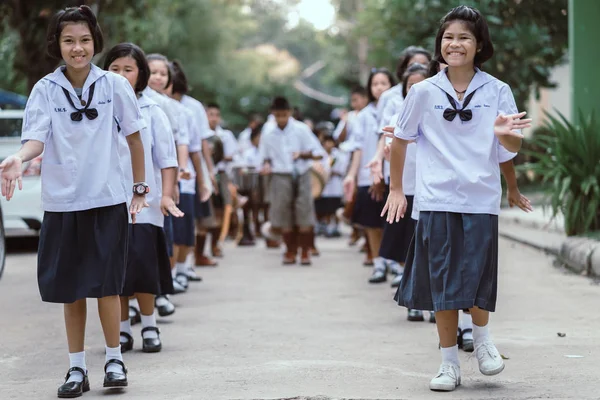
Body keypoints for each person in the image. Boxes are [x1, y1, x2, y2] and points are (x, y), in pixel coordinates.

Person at [382, 5, 532, 391]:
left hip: (480, 200)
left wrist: (504, 138)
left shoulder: (498, 90)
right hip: (436, 200)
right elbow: (400, 140)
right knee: (444, 286)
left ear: (479, 44)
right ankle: (449, 363)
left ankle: (482, 341)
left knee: (479, 278)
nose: (455, 44)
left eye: (464, 37)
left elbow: (510, 148)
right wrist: (397, 188)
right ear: (440, 46)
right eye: (448, 37)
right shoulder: (423, 91)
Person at [0, 6, 146, 397]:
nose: (77, 49)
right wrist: (19, 158)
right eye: (69, 41)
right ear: (58, 45)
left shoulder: (115, 86)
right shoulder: (46, 89)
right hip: (63, 202)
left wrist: (140, 188)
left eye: (84, 40)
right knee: (71, 288)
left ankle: (114, 360)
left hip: (106, 199)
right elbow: (36, 138)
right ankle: (76, 368)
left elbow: (134, 138)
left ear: (95, 42)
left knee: (107, 286)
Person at [103, 43, 182, 354]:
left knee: (144, 269)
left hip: (146, 205)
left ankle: (149, 326)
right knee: (116, 272)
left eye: (129, 69)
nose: (121, 75)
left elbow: (167, 158)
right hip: (107, 202)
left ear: (141, 75)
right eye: (115, 69)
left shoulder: (153, 110)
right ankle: (122, 331)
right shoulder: (98, 106)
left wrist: (165, 195)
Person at [343, 68, 395, 281]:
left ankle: (395, 262)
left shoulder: (398, 108)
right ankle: (378, 262)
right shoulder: (363, 116)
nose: (379, 87)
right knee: (372, 223)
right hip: (368, 175)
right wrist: (352, 176)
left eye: (384, 83)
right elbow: (357, 148)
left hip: (394, 175)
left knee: (393, 222)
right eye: (375, 84)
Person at [260, 97, 324, 265]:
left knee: (304, 211)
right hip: (280, 175)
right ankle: (290, 250)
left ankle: (305, 251)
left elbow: (319, 153)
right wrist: (266, 165)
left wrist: (302, 154)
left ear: (290, 113)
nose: (281, 118)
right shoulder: (268, 133)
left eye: (284, 114)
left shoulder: (301, 129)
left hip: (301, 173)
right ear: (273, 114)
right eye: (278, 115)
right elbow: (264, 157)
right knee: (284, 214)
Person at [315, 135, 349, 238]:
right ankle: (325, 225)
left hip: (335, 184)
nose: (328, 144)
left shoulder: (338, 155)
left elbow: (343, 168)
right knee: (325, 207)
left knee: (335, 206)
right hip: (324, 186)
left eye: (331, 142)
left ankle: (335, 227)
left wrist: (332, 171)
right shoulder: (319, 155)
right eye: (326, 142)